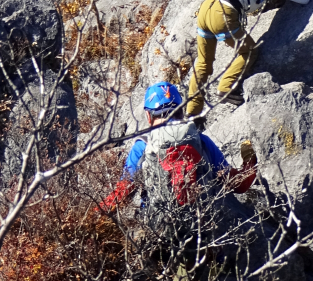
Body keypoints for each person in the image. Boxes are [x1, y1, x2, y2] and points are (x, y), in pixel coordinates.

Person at [186, 0, 313, 117]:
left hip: (206, 8)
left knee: (203, 64)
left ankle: (192, 113)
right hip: (222, 16)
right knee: (249, 51)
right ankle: (225, 88)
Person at [100, 81, 257, 214]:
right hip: (204, 228)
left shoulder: (143, 146)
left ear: (148, 116)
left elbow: (121, 194)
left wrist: (91, 216)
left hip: (160, 231)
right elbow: (238, 184)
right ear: (181, 111)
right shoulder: (201, 141)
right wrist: (250, 162)